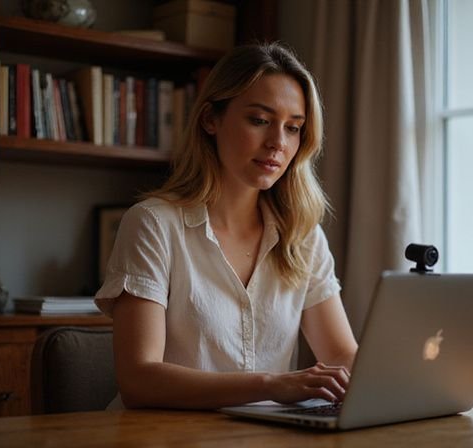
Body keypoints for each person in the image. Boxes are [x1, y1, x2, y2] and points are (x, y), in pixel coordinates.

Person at [95, 42, 358, 410]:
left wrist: (398, 380)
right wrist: (271, 384)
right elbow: (139, 377)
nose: (278, 143)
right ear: (210, 120)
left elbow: (341, 353)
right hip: (163, 436)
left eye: (294, 128)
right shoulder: (153, 224)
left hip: (264, 437)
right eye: (260, 120)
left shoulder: (302, 235)